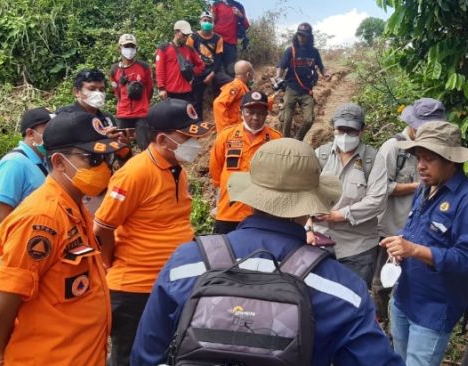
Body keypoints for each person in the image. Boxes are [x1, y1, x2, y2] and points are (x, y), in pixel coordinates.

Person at [130, 138, 405, 366]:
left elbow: (146, 354)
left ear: (251, 195)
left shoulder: (185, 263)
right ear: (312, 203)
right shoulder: (342, 289)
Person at [0, 111, 128, 365]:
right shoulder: (42, 219)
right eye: (93, 160)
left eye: (106, 158)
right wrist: (2, 353)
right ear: (59, 162)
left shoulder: (75, 206)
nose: (104, 168)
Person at [94, 98, 213, 366]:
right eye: (186, 138)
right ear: (162, 139)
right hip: (135, 289)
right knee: (130, 357)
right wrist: (107, 261)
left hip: (170, 282)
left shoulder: (176, 169)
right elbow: (102, 226)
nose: (195, 145)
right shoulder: (135, 173)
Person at [380, 121, 468, 366]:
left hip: (433, 309)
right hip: (404, 296)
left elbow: (467, 259)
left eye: (429, 159)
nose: (420, 166)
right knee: (398, 359)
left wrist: (414, 250)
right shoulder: (425, 188)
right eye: (419, 158)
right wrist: (401, 244)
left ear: (451, 160)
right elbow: (415, 231)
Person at [0, 107, 52, 364]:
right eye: (46, 131)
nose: (51, 136)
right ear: (31, 133)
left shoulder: (39, 162)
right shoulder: (14, 163)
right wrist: (17, 246)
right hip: (6, 257)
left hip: (24, 257)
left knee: (5, 316)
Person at [372, 98, 445, 328]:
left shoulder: (438, 150)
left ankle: (402, 324)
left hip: (419, 235)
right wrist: (418, 186)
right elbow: (380, 188)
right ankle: (383, 325)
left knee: (410, 280)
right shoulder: (393, 148)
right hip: (393, 228)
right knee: (383, 281)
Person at [310, 103, 387, 286]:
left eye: (351, 131)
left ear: (362, 131)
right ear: (333, 129)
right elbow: (305, 192)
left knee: (354, 300)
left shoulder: (373, 159)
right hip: (319, 242)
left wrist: (339, 215)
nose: (345, 136)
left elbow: (377, 201)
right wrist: (307, 224)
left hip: (357, 248)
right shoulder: (320, 155)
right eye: (340, 130)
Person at [209, 90, 282, 234]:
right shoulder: (226, 136)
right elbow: (216, 169)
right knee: (224, 252)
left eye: (260, 113)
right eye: (250, 112)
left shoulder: (276, 139)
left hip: (262, 214)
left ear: (267, 114)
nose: (255, 117)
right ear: (241, 111)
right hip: (229, 212)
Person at [276, 22, 330, 140]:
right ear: (296, 35)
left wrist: (326, 74)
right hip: (291, 88)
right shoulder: (291, 50)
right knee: (287, 119)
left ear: (309, 37)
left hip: (306, 91)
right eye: (299, 35)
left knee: (309, 119)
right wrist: (278, 78)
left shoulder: (314, 52)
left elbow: (321, 67)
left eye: (304, 35)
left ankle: (297, 140)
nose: (301, 37)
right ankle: (285, 141)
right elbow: (281, 66)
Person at [110, 33, 154, 150]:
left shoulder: (144, 67)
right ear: (120, 48)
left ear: (136, 48)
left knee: (145, 146)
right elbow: (116, 92)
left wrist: (144, 103)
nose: (129, 49)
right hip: (123, 113)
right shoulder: (114, 69)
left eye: (132, 46)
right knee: (122, 148)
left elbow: (150, 88)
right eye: (126, 46)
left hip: (141, 113)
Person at [187, 11, 226, 120]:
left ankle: (221, 118)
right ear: (200, 21)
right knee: (196, 97)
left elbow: (219, 59)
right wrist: (191, 74)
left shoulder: (218, 38)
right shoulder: (193, 37)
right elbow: (187, 57)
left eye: (209, 21)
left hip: (213, 69)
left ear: (213, 23)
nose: (207, 22)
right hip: (198, 69)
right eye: (205, 20)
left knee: (226, 85)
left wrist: (212, 74)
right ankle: (198, 123)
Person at [155, 20, 205, 104]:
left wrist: (192, 73)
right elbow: (160, 70)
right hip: (169, 92)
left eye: (187, 35)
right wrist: (161, 88)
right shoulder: (164, 48)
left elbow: (201, 65)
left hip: (186, 93)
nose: (186, 37)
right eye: (183, 35)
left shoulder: (189, 49)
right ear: (176, 32)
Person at [212, 60, 253, 133]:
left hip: (239, 128)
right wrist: (225, 131)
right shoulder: (236, 86)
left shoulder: (242, 87)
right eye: (252, 74)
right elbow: (218, 103)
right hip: (231, 130)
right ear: (248, 74)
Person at [211, 0, 249, 76]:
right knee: (214, 69)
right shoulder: (217, 4)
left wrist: (240, 15)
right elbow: (212, 21)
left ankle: (230, 87)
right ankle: (215, 87)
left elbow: (246, 25)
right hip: (216, 42)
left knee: (230, 71)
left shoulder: (239, 6)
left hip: (231, 44)